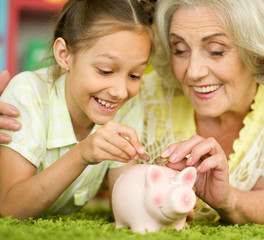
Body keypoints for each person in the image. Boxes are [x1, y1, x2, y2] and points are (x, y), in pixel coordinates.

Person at [0, 0, 264, 225]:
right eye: (179, 49)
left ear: (256, 51)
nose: (193, 72)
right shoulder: (140, 93)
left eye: (216, 50)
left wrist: (210, 199)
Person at [0, 0, 153, 220]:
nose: (120, 91)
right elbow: (10, 208)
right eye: (105, 71)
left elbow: (123, 208)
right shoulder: (28, 93)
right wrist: (82, 154)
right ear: (64, 55)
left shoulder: (128, 106)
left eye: (134, 75)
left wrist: (167, 200)